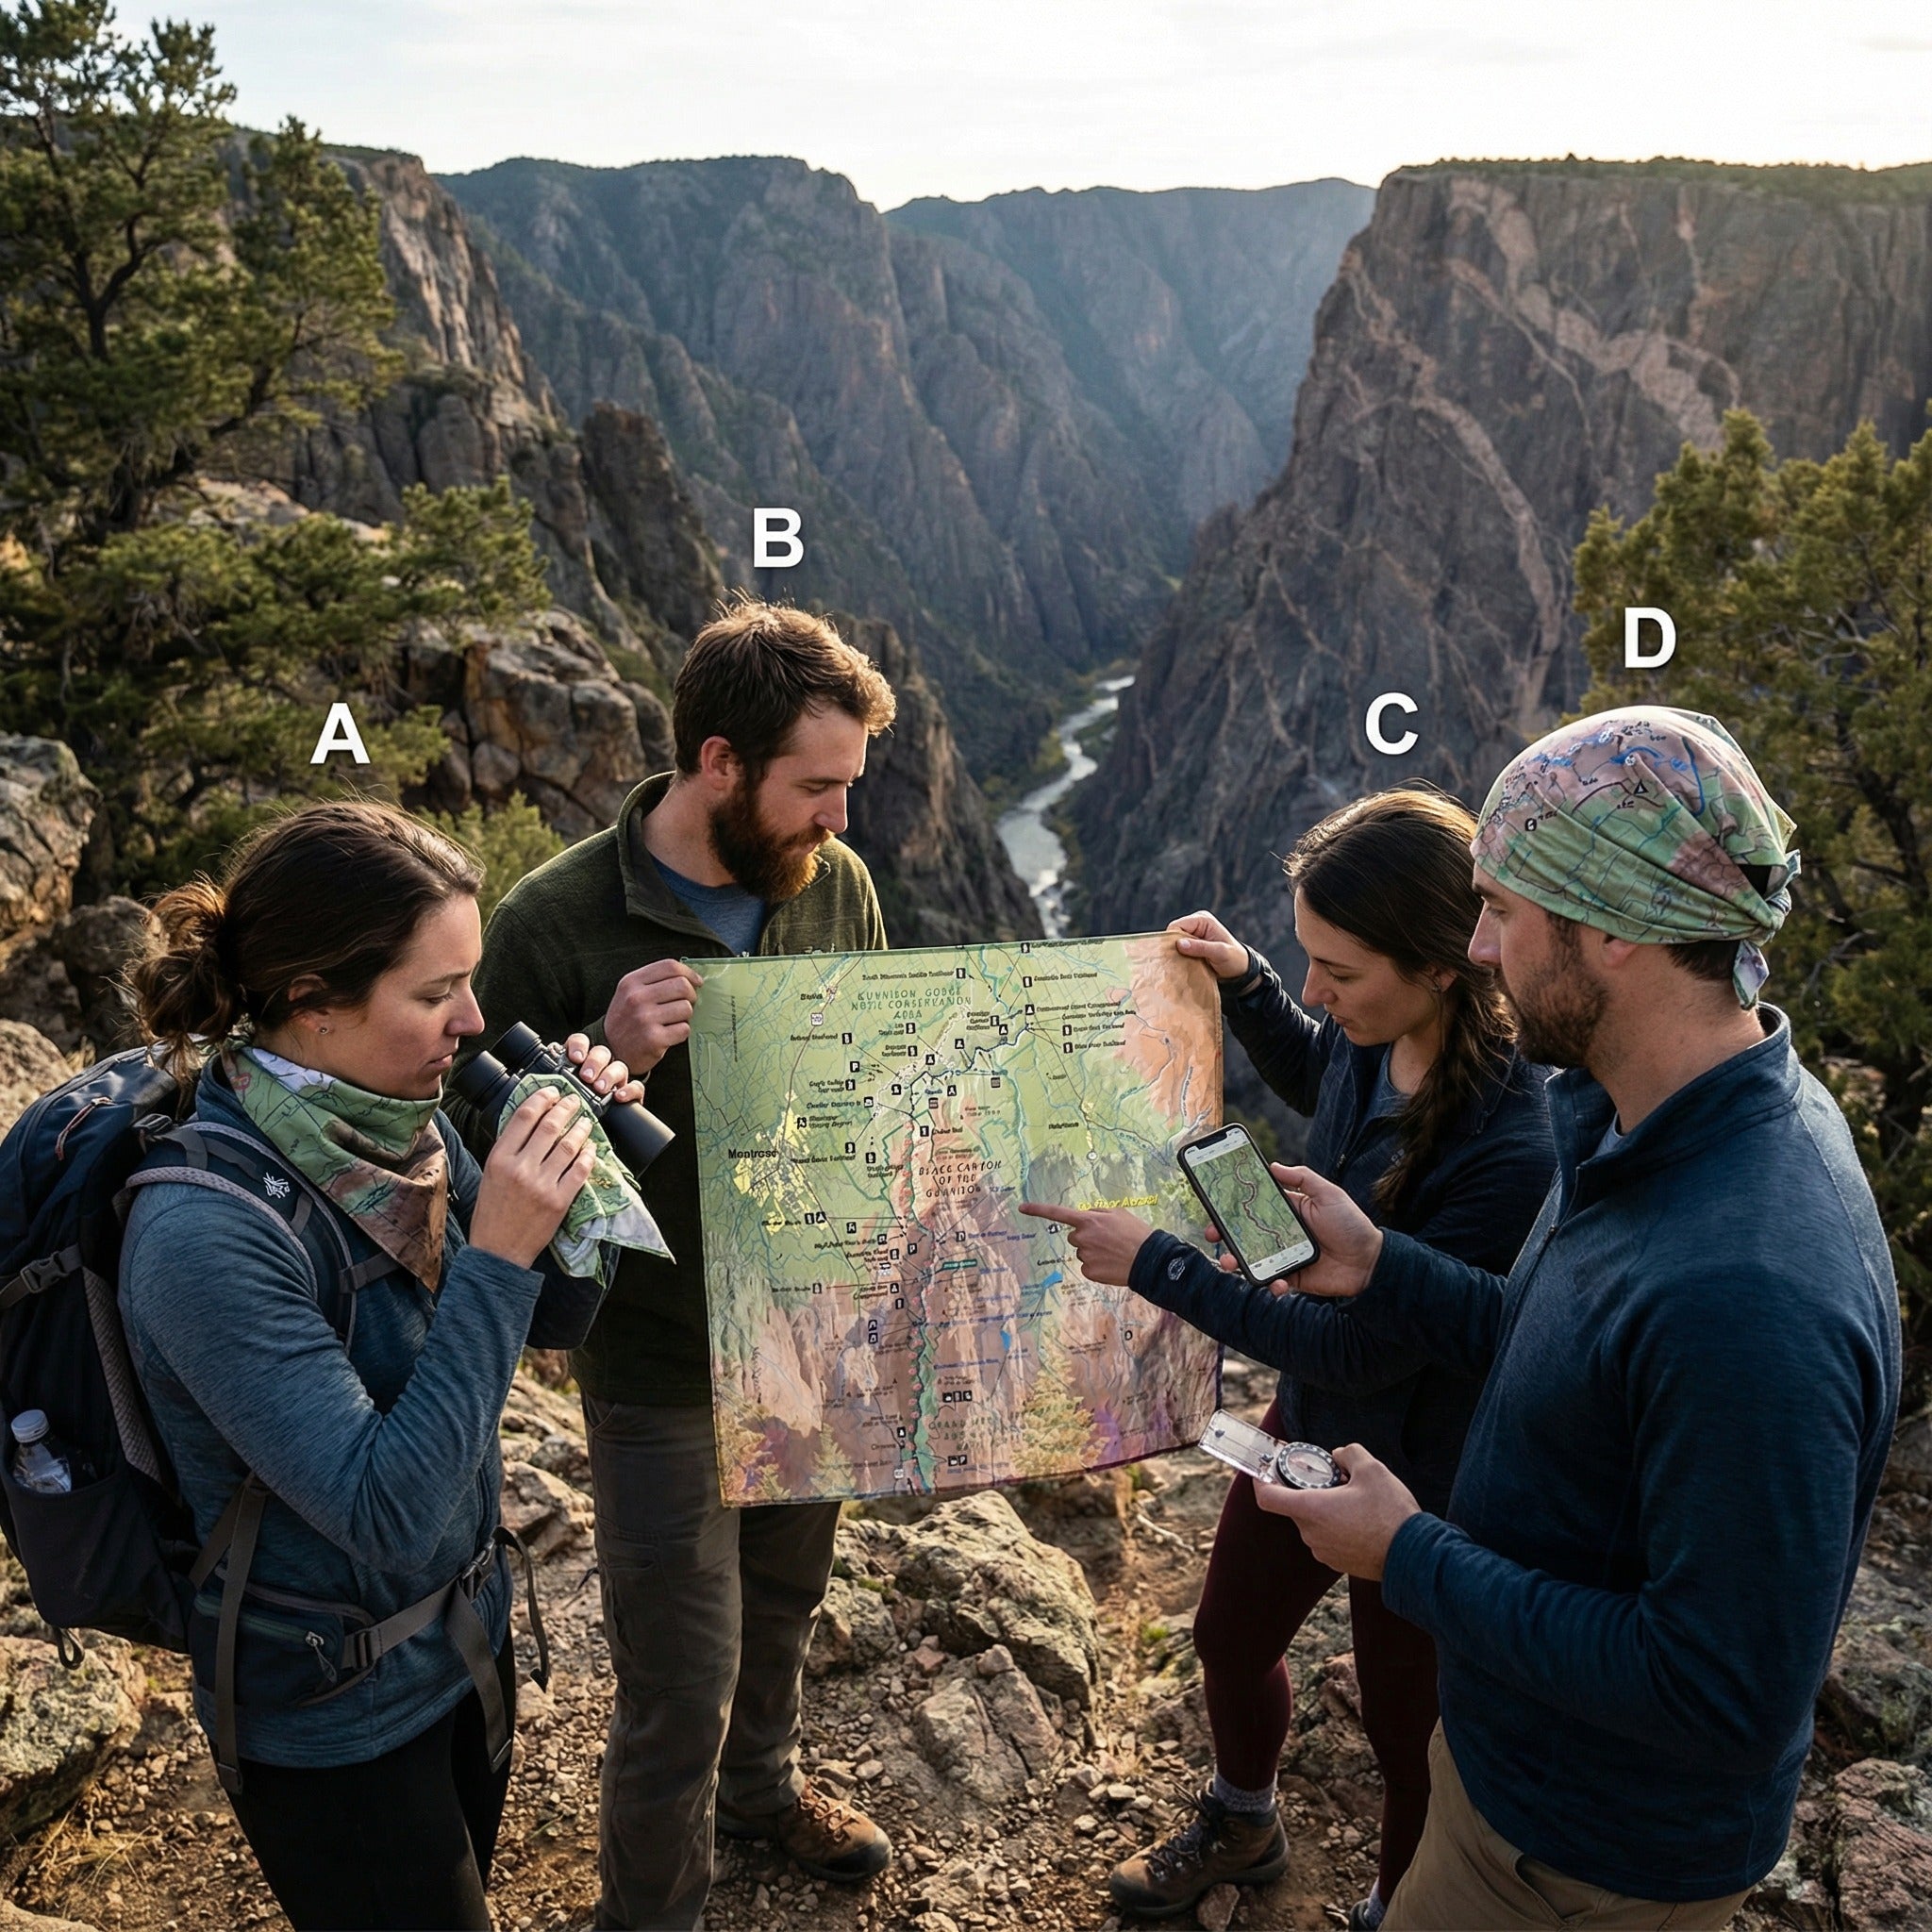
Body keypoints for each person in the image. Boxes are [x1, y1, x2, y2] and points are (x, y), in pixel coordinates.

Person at [1240, 708, 1900, 1929]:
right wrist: (1385, 1264)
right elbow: (1555, 1346)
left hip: (1580, 1866)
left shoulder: (1750, 1289)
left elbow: (1723, 1695)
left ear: (1608, 936)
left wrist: (1410, 1555)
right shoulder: (1627, 1116)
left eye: (1501, 909)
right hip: (1509, 1787)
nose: (1477, 950)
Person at [1023, 789, 1557, 1924]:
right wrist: (1250, 985)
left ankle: (1394, 1905)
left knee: (1408, 1726)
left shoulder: (1511, 1145)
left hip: (1420, 1480)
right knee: (1226, 1633)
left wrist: (1164, 1267)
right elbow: (1325, 1068)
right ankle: (1243, 1816)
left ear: (1443, 965)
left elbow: (1360, 1347)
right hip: (1307, 1427)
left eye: (1339, 969)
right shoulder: (1383, 1037)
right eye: (1305, 961)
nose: (1318, 990)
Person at [450, 598, 899, 1931]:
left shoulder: (838, 885)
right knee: (677, 1681)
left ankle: (762, 1793)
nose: (839, 821)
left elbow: (870, 1067)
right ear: (719, 764)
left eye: (848, 788)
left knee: (787, 1601)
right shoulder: (556, 921)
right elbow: (481, 1167)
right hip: (654, 1356)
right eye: (816, 788)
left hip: (809, 1330)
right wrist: (607, 1050)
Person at [121, 800, 644, 1931]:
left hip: (458, 1646)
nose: (473, 1018)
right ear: (312, 1002)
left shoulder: (389, 1121)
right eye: (432, 992)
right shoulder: (203, 1235)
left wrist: (575, 1170)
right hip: (330, 1710)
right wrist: (500, 1239)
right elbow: (386, 1507)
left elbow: (553, 1318)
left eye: (468, 982)